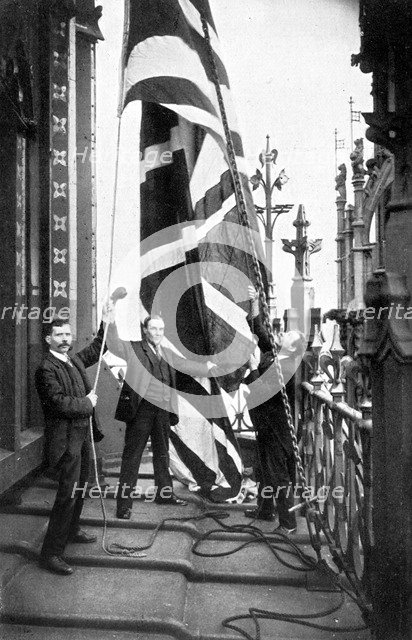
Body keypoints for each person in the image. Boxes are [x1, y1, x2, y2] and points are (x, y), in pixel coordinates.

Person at [104, 303, 216, 519]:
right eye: (153, 329)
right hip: (140, 412)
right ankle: (124, 505)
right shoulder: (135, 348)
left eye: (160, 330)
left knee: (163, 455)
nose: (157, 333)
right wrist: (110, 321)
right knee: (132, 457)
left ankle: (164, 494)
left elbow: (186, 366)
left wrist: (208, 368)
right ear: (146, 331)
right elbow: (114, 344)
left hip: (163, 411)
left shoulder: (166, 352)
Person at [35, 318, 105, 575]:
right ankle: (51, 554)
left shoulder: (73, 360)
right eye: (59, 335)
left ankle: (72, 530)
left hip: (82, 438)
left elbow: (97, 349)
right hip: (65, 444)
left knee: (80, 489)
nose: (65, 338)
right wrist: (88, 403)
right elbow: (57, 403)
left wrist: (106, 319)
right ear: (48, 339)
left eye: (68, 334)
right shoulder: (46, 369)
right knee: (66, 495)